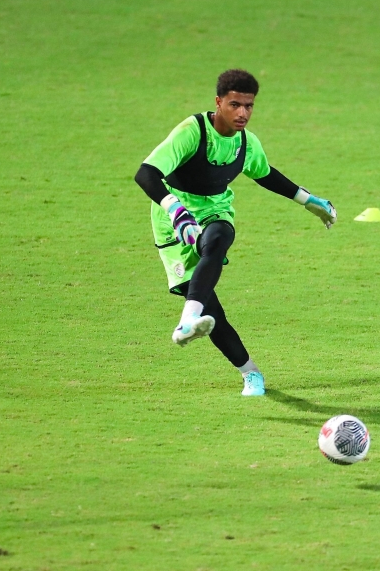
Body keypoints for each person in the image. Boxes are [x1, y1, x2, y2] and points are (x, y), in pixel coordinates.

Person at [134, 69, 337, 396]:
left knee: (217, 240)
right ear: (218, 102)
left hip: (215, 209)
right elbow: (145, 174)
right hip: (171, 217)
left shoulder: (246, 143)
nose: (243, 113)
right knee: (212, 313)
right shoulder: (193, 132)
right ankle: (250, 372)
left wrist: (306, 199)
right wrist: (176, 210)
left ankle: (186, 322)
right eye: (235, 105)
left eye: (249, 106)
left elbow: (266, 174)